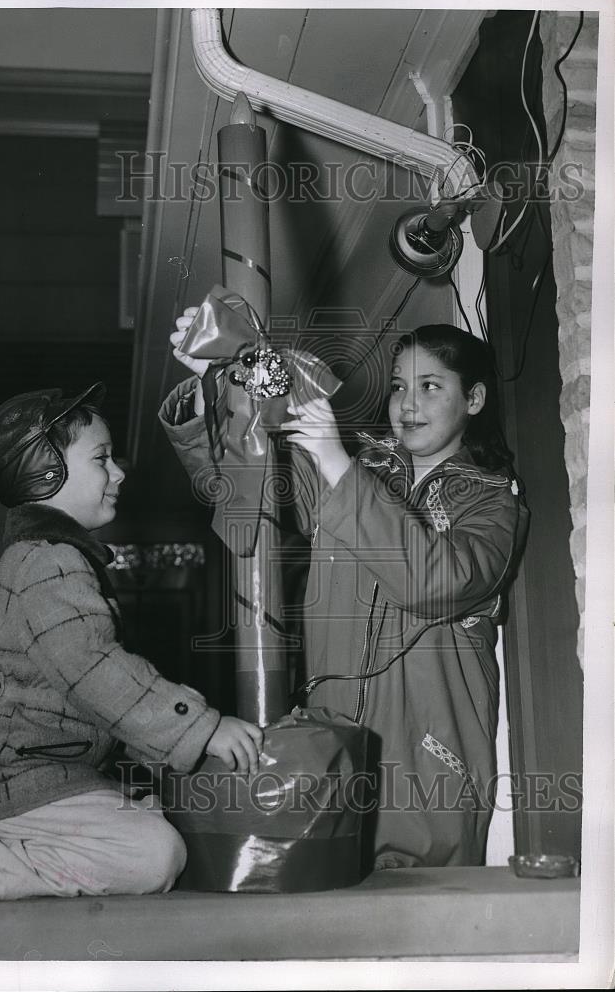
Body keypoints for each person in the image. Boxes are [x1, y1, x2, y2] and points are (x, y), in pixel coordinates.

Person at [0, 382, 262, 948]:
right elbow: (98, 674)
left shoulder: (52, 560)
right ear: (46, 475)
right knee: (156, 855)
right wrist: (199, 726)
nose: (119, 472)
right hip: (3, 783)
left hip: (40, 775)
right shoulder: (49, 563)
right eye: (101, 459)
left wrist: (167, 749)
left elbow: (87, 697)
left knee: (157, 824)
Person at [160, 312, 528, 871]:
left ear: (474, 399)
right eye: (399, 387)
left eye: (431, 387)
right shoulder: (353, 469)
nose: (408, 405)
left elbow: (433, 582)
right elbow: (241, 489)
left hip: (427, 765)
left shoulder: (494, 504)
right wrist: (228, 379)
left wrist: (336, 460)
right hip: (331, 750)